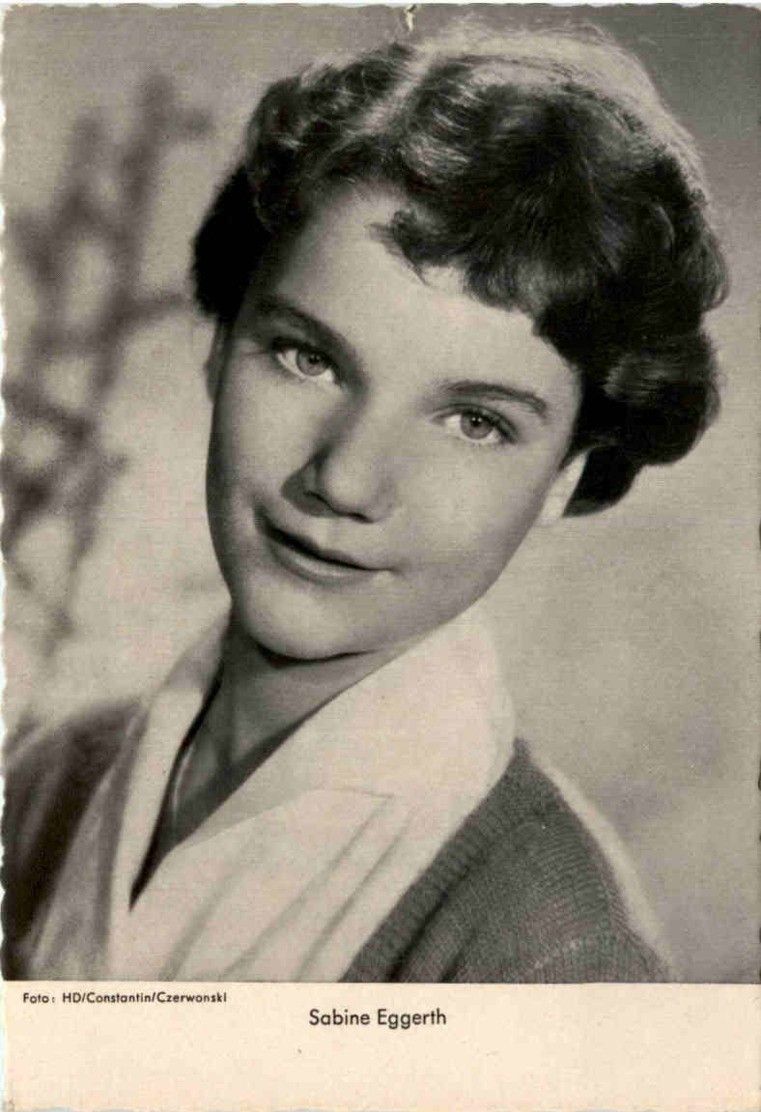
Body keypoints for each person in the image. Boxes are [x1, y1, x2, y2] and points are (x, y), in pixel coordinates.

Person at [2, 26, 726, 982]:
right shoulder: (52, 781)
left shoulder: (552, 949)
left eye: (473, 421)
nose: (344, 480)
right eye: (308, 358)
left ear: (565, 474)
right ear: (220, 345)